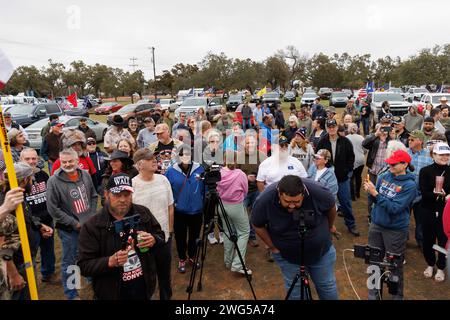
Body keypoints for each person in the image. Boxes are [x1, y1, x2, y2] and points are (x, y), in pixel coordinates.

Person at [77, 173, 165, 300]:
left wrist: (154, 240)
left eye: (127, 195)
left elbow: (160, 236)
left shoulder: (143, 213)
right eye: (117, 195)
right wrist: (110, 261)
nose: (123, 199)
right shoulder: (92, 226)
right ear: (106, 194)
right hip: (111, 293)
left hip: (144, 289)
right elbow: (84, 265)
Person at [252, 175, 339, 300]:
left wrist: (330, 227)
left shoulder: (318, 192)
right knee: (296, 291)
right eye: (287, 202)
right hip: (288, 257)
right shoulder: (265, 199)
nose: (292, 206)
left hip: (321, 252)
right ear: (279, 194)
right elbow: (257, 224)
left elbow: (331, 206)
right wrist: (272, 247)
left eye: (296, 202)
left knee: (327, 286)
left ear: (303, 194)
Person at [363, 150, 417, 300]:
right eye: (389, 163)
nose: (390, 165)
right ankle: (373, 294)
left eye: (394, 164)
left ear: (405, 164)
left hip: (395, 230)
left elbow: (395, 208)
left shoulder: (410, 185)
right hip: (376, 225)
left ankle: (397, 295)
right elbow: (375, 201)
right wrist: (370, 192)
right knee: (374, 261)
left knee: (395, 265)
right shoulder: (384, 176)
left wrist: (375, 194)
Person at [47, 148, 98, 300]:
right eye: (64, 162)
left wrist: (91, 215)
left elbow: (94, 196)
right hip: (69, 230)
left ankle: (90, 278)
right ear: (60, 162)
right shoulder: (53, 181)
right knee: (70, 262)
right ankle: (72, 294)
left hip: (88, 226)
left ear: (77, 161)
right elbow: (52, 208)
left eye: (70, 161)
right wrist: (74, 223)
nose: (67, 164)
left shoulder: (86, 175)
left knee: (90, 254)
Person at [1, 163, 53, 300]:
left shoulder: (18, 196)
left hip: (27, 258)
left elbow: (26, 217)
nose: (33, 182)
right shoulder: (7, 205)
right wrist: (13, 275)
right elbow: (3, 245)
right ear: (24, 180)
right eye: (31, 179)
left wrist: (39, 225)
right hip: (16, 266)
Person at [132, 149, 174, 300]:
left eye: (154, 157)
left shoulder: (163, 180)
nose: (154, 160)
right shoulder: (133, 186)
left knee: (165, 277)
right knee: (146, 278)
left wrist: (169, 231)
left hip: (164, 239)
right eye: (149, 159)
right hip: (143, 242)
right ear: (139, 165)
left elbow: (170, 206)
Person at [20, 148, 59, 284]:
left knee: (48, 249)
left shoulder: (43, 175)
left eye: (34, 158)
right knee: (30, 253)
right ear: (20, 160)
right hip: (30, 224)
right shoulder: (19, 179)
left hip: (47, 219)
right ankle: (30, 281)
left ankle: (48, 273)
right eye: (27, 159)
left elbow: (51, 195)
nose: (31, 161)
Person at [165, 146, 205, 274]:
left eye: (188, 154)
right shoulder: (170, 171)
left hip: (197, 211)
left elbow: (205, 189)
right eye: (182, 154)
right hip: (179, 212)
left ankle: (192, 257)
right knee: (180, 237)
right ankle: (182, 258)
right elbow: (167, 191)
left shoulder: (200, 169)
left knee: (194, 236)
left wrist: (202, 203)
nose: (185, 157)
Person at [317, 119, 360, 236]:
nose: (331, 129)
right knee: (323, 203)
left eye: (333, 127)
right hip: (326, 178)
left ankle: (351, 224)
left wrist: (347, 171)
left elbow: (351, 157)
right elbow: (317, 157)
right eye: (329, 127)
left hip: (342, 178)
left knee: (345, 202)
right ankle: (323, 226)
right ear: (326, 128)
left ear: (337, 128)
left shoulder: (345, 141)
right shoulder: (322, 142)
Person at [419, 142, 450, 282]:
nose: (444, 157)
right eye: (441, 154)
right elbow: (424, 192)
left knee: (443, 240)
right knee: (428, 240)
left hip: (445, 213)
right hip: (427, 210)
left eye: (447, 154)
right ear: (433, 155)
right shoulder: (425, 171)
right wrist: (439, 195)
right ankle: (430, 264)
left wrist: (447, 196)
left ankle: (441, 267)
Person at [217, 151, 251, 275]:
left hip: (221, 206)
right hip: (236, 206)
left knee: (227, 232)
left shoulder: (219, 173)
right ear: (236, 160)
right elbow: (245, 190)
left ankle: (228, 261)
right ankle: (237, 264)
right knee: (244, 232)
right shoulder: (240, 174)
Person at [362, 117, 395, 221]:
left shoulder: (392, 138)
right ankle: (370, 216)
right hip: (373, 171)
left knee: (384, 194)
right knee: (370, 194)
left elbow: (397, 151)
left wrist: (393, 138)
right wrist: (376, 134)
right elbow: (364, 144)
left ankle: (382, 215)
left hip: (387, 173)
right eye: (383, 124)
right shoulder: (375, 136)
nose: (385, 126)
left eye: (387, 124)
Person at [407, 130, 433, 249]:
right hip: (406, 194)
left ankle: (421, 240)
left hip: (422, 195)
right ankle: (403, 239)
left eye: (412, 139)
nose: (409, 141)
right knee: (404, 218)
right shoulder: (405, 154)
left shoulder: (429, 156)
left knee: (421, 220)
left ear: (420, 141)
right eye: (409, 139)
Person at [346, 123, 366, 201]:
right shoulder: (361, 137)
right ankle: (357, 193)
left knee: (351, 177)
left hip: (351, 160)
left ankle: (352, 196)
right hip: (361, 159)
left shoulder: (346, 138)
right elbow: (365, 149)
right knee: (358, 176)